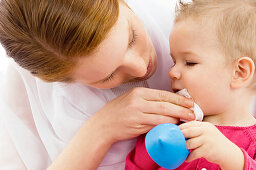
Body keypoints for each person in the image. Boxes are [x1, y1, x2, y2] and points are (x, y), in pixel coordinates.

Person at [0, 0, 196, 169]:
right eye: (109, 76)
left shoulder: (185, 16)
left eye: (132, 38)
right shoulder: (30, 102)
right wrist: (101, 129)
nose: (141, 67)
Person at [126, 0, 256, 169]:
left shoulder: (250, 144)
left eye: (189, 62)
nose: (172, 72)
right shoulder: (167, 129)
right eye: (174, 61)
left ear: (239, 72)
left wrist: (232, 158)